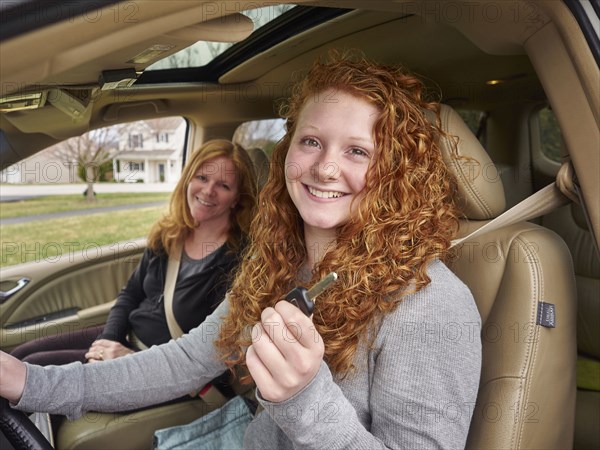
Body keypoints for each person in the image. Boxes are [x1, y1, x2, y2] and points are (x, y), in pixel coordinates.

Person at [1, 52, 482, 449]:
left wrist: (302, 396)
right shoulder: (279, 263)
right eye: (311, 141)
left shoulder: (430, 303)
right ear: (287, 151)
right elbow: (186, 361)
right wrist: (32, 382)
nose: (326, 169)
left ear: (394, 173)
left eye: (357, 151)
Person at [10, 139, 258, 366]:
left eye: (223, 185)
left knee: (29, 369)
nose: (208, 191)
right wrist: (106, 343)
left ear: (237, 198)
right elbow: (130, 294)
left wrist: (132, 359)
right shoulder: (170, 233)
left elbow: (210, 349)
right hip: (125, 339)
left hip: (158, 367)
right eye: (202, 178)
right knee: (21, 355)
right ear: (188, 179)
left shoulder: (239, 260)